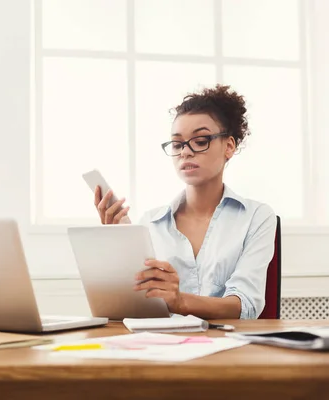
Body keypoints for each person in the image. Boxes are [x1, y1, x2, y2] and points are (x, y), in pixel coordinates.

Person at [94, 84, 277, 320]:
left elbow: (246, 307)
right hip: (165, 348)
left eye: (200, 141)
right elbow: (135, 308)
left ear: (229, 146)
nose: (186, 152)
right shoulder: (149, 223)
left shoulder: (256, 216)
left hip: (229, 348)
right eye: (178, 144)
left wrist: (179, 301)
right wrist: (123, 247)